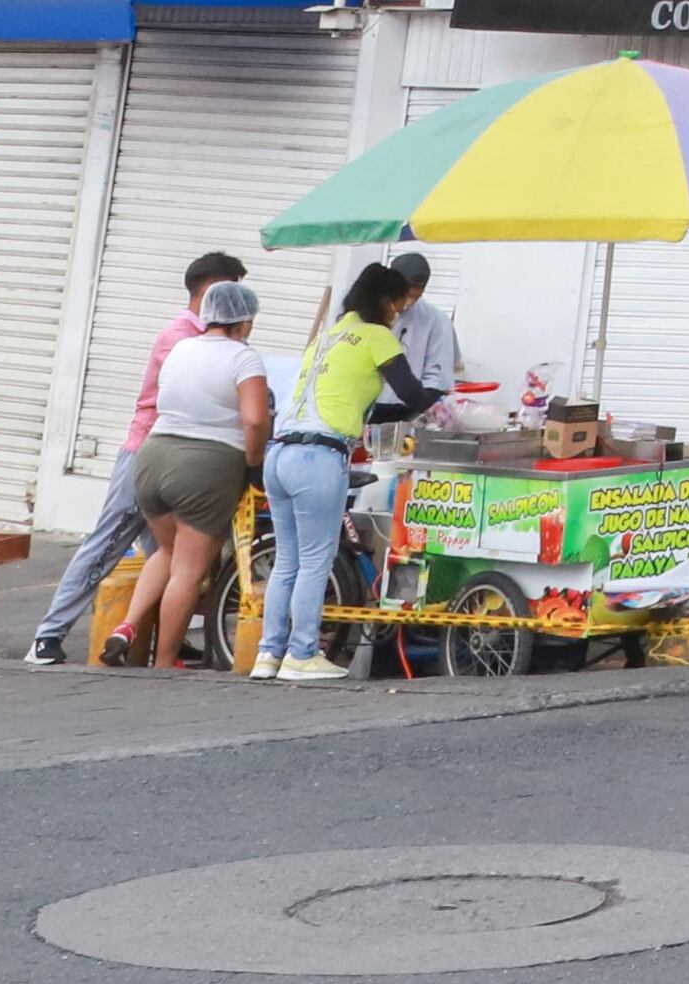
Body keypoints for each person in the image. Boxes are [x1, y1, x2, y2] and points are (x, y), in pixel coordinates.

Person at [29, 248, 247, 667]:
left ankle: (163, 637)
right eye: (232, 292)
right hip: (150, 453)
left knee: (169, 558)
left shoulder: (207, 338)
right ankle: (48, 635)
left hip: (174, 460)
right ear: (210, 292)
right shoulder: (181, 337)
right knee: (108, 543)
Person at [255, 263, 410, 686]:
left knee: (286, 560)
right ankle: (302, 653)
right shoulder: (377, 336)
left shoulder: (327, 338)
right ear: (384, 300)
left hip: (280, 453)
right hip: (319, 458)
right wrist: (439, 394)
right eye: (398, 303)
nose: (399, 312)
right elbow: (412, 394)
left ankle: (268, 653)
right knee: (315, 561)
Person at [111, 280, 271, 673]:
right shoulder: (243, 358)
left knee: (167, 552)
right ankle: (165, 661)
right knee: (188, 570)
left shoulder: (181, 348)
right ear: (244, 321)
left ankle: (127, 627)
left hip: (152, 458)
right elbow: (254, 418)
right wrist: (254, 462)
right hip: (206, 466)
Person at [380, 251, 464, 408]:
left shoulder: (437, 320)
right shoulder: (364, 313)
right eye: (404, 296)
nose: (408, 303)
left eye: (415, 297)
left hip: (406, 411)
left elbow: (439, 377)